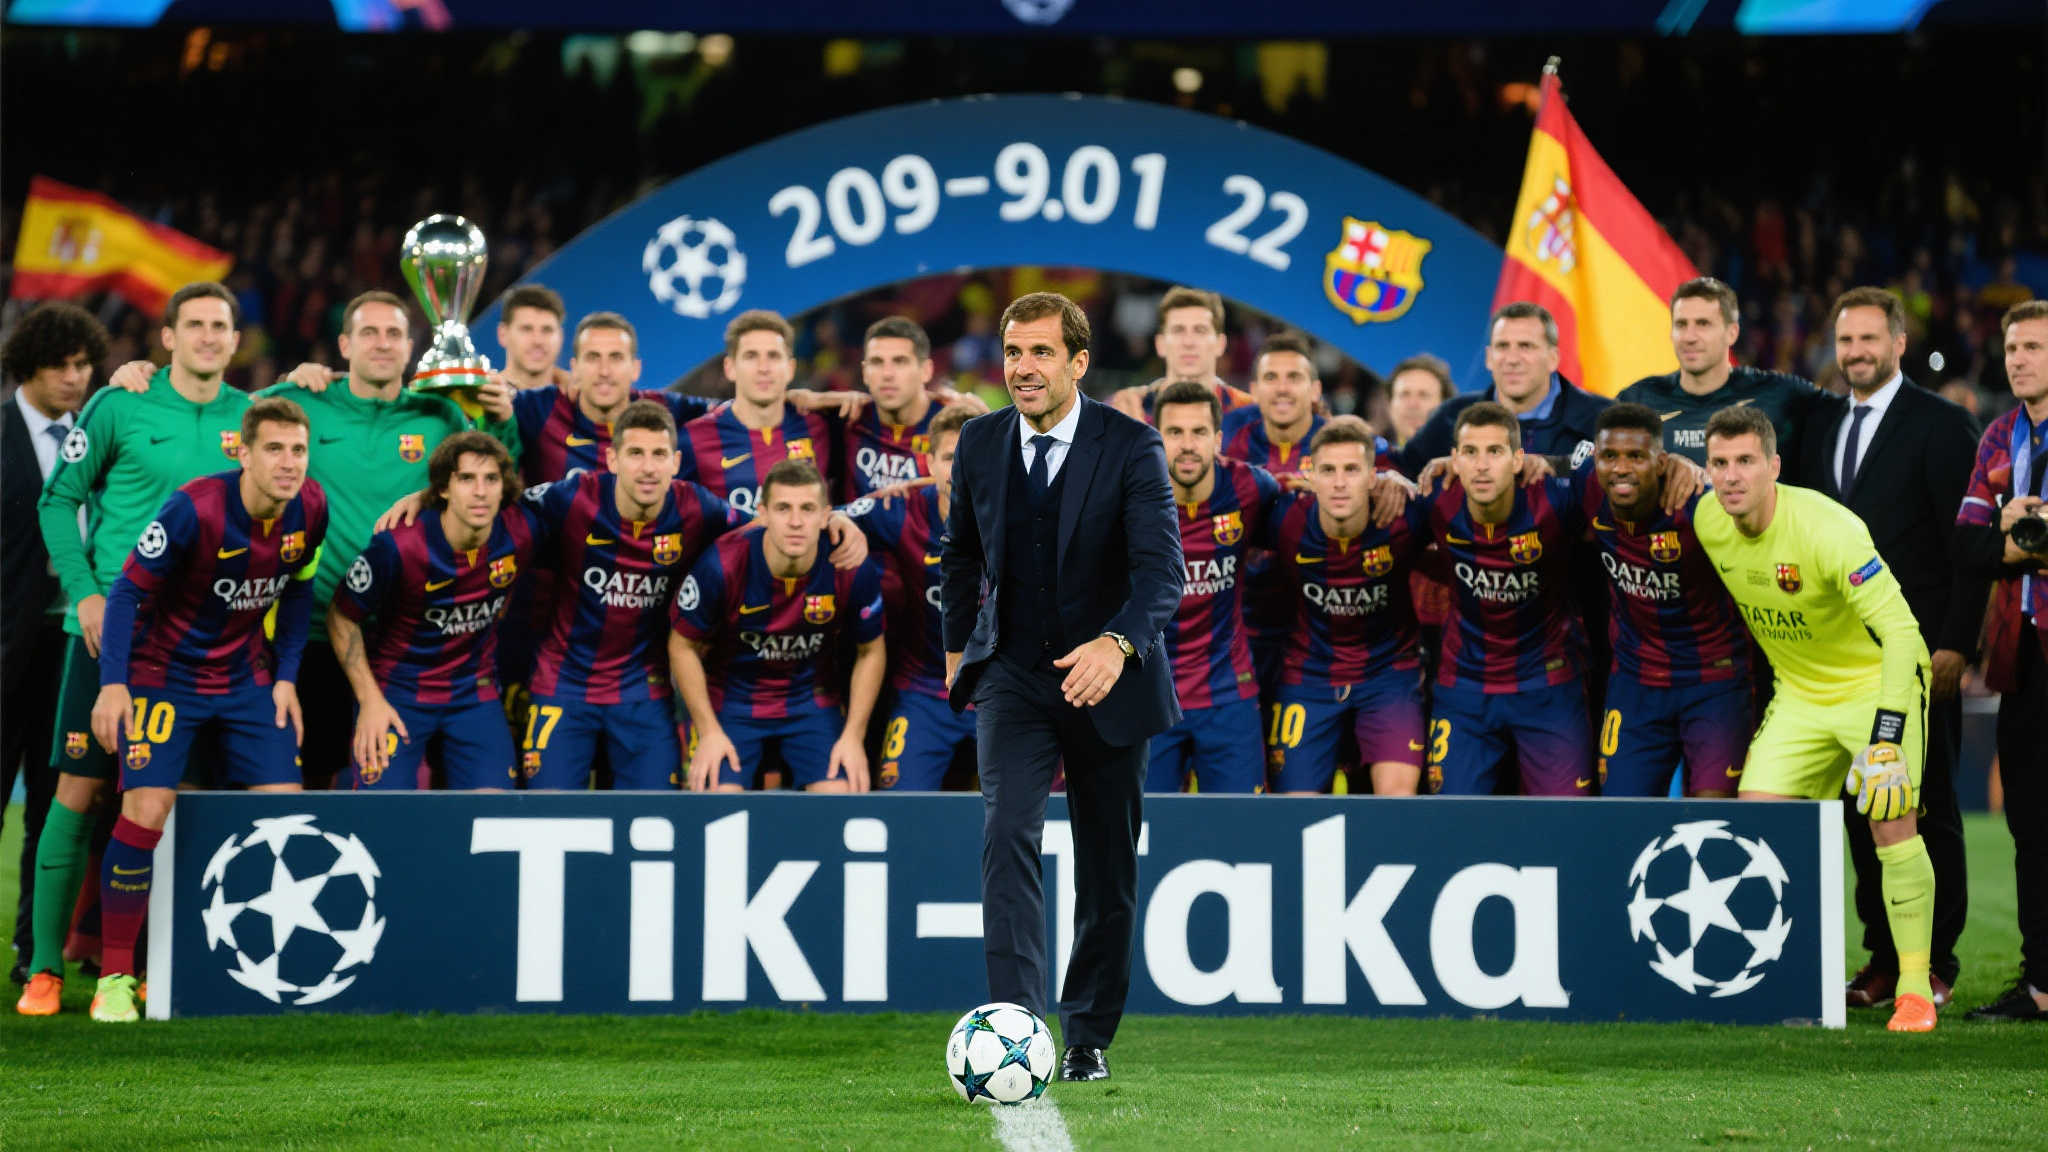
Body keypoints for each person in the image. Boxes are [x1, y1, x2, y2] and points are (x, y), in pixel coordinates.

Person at [940, 291, 1181, 1084]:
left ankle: (1087, 1037)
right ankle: (1016, 1023)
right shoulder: (979, 441)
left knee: (1107, 864)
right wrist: (957, 648)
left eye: (1041, 352)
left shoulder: (1132, 446)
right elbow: (961, 553)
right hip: (1012, 675)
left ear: (1079, 362)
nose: (1023, 367)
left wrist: (1117, 644)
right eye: (1013, 351)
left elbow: (1161, 573)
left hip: (1108, 680)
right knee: (1006, 832)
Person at [21, 282, 253, 1017]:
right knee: (77, 793)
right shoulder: (119, 404)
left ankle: (156, 965)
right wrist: (85, 592)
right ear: (168, 337)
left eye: (221, 326)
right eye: (196, 324)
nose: (209, 336)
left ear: (235, 339)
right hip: (106, 635)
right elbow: (57, 499)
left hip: (202, 650)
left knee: (174, 804)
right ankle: (44, 969)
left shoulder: (251, 418)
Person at [1694, 404, 1939, 1033]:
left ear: (1774, 466)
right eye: (1719, 463)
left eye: (1745, 461)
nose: (1731, 476)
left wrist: (1887, 739)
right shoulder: (1707, 521)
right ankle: (1793, 980)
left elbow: (1903, 635)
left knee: (1890, 820)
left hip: (1875, 686)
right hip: (1800, 695)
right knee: (1759, 830)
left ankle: (1915, 989)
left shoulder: (1830, 530)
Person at [84, 397, 326, 1022]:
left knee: (285, 815)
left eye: (298, 450)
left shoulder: (312, 509)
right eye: (274, 449)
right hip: (163, 675)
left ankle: (248, 963)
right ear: (243, 453)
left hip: (246, 677)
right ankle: (115, 976)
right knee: (146, 810)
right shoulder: (195, 508)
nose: (289, 463)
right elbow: (126, 593)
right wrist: (114, 686)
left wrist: (287, 678)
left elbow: (299, 592)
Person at [1795, 287, 1982, 1013]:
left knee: (1927, 805)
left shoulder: (1943, 425)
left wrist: (1955, 643)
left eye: (1870, 339)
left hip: (1918, 656)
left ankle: (1935, 962)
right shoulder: (1819, 423)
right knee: (1860, 811)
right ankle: (1882, 959)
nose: (1857, 353)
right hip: (1839, 660)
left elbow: (1966, 546)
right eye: (1846, 341)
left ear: (1900, 344)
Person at [328, 432, 539, 790]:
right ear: (443, 488)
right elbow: (342, 616)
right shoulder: (397, 546)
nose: (481, 491)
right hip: (398, 692)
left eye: (491, 479)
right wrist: (369, 701)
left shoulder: (522, 529)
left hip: (474, 692)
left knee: (492, 810)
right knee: (380, 808)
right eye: (466, 479)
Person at [672, 459, 887, 792]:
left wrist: (853, 737)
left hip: (810, 703)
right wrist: (709, 731)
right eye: (783, 508)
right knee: (717, 799)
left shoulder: (849, 565)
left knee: (840, 798)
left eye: (807, 509)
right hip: (731, 703)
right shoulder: (722, 565)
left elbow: (871, 651)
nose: (796, 522)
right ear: (763, 514)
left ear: (825, 516)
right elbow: (681, 646)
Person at [1, 303, 103, 988]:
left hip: (71, 644)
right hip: (4, 645)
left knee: (53, 802)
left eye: (83, 364)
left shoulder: (96, 436)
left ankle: (29, 951)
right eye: (61, 366)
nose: (75, 377)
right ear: (27, 368)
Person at [1954, 300, 2048, 1021]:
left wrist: (2013, 535)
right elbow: (1968, 543)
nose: (2018, 360)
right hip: (2022, 658)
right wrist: (2019, 533)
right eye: (2012, 348)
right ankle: (2041, 982)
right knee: (2029, 822)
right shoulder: (1996, 435)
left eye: (2034, 348)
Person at [1580, 404, 1752, 797]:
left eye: (1636, 457)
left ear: (1660, 462)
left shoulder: (1701, 504)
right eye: (1610, 456)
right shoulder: (1586, 487)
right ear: (1596, 459)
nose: (1621, 469)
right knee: (1622, 814)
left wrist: (1696, 469)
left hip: (1713, 682)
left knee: (1714, 814)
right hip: (1635, 682)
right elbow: (1541, 467)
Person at [1422, 402, 1593, 796]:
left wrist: (1677, 465)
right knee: (1451, 819)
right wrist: (1389, 481)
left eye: (1495, 452)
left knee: (1566, 817)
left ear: (1518, 460)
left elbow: (1613, 466)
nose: (1482, 466)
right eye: (1471, 453)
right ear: (1454, 460)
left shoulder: (1554, 500)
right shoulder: (1435, 500)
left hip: (1548, 685)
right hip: (1464, 687)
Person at [1260, 416, 1427, 796]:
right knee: (1296, 809)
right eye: (1328, 470)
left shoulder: (1405, 516)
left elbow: (1465, 498)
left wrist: (1410, 483)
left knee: (1398, 801)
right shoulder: (1284, 519)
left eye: (1351, 470)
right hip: (1309, 677)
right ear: (1310, 476)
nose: (1339, 482)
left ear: (1373, 477)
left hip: (1389, 677)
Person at [1146, 380, 1282, 794]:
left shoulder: (1252, 488)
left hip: (1227, 694)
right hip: (1148, 696)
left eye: (1199, 432)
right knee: (1145, 825)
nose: (1188, 445)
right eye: (1175, 432)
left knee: (1240, 827)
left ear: (1218, 439)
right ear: (1156, 438)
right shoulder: (1127, 495)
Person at [838, 404, 979, 790]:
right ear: (929, 463)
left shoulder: (1019, 515)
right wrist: (842, 524)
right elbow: (827, 517)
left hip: (1003, 691)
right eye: (949, 458)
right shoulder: (901, 510)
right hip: (924, 691)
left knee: (1030, 809)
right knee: (901, 805)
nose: (960, 469)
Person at [1617, 278, 1833, 465]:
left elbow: (1846, 416)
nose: (1690, 337)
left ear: (1732, 333)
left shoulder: (1780, 393)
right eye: (1681, 325)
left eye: (1703, 324)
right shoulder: (1637, 400)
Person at [1397, 302, 1611, 476]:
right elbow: (1402, 470)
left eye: (1525, 346)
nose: (1512, 359)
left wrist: (1556, 467)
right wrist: (1391, 477)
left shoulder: (1603, 420)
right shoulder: (1451, 417)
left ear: (1553, 358)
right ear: (1489, 358)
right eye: (1502, 346)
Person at [679, 310, 850, 513]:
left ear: (790, 368)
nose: (763, 368)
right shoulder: (693, 440)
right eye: (751, 356)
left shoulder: (822, 426)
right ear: (730, 368)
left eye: (774, 356)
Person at [512, 311, 712, 485]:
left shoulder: (667, 409)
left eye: (616, 358)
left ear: (635, 369)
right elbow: (499, 396)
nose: (604, 371)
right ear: (574, 368)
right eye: (593, 358)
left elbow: (727, 412)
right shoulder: (541, 408)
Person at [842, 316, 987, 497]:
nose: (887, 374)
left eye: (900, 361)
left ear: (926, 370)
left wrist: (988, 425)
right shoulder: (845, 418)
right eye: (877, 362)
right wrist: (818, 398)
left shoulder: (960, 425)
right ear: (864, 372)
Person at [1106, 286, 1257, 423]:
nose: (1188, 342)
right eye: (1178, 330)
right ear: (1160, 344)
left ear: (1220, 344)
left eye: (1200, 330)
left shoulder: (1251, 413)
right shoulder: (1121, 409)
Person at [494, 283, 567, 391]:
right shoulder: (479, 397)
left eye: (547, 330)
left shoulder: (579, 397)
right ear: (503, 334)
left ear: (560, 336)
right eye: (526, 329)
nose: (538, 341)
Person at [1385, 354, 1455, 449]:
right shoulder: (1376, 456)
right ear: (1389, 405)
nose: (1412, 404)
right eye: (1404, 394)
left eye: (1423, 395)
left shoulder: (1462, 456)